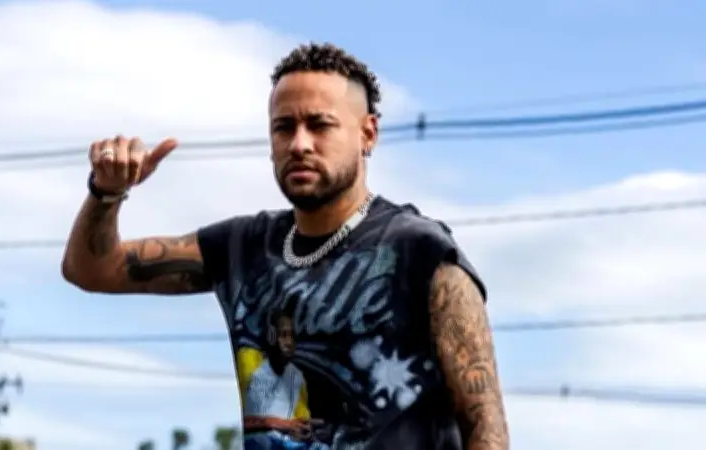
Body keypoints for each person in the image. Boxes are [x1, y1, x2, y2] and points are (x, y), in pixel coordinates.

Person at [61, 42, 509, 450]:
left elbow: (486, 431)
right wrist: (106, 193)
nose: (299, 144)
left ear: (367, 134)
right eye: (284, 127)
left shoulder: (421, 253)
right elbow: (92, 269)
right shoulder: (242, 248)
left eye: (319, 125)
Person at [238, 307, 327, 450]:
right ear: (272, 336)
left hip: (287, 442)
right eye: (284, 335)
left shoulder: (297, 377)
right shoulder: (248, 362)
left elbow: (299, 421)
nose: (289, 342)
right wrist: (281, 424)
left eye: (292, 336)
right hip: (259, 440)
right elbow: (238, 421)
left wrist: (304, 429)